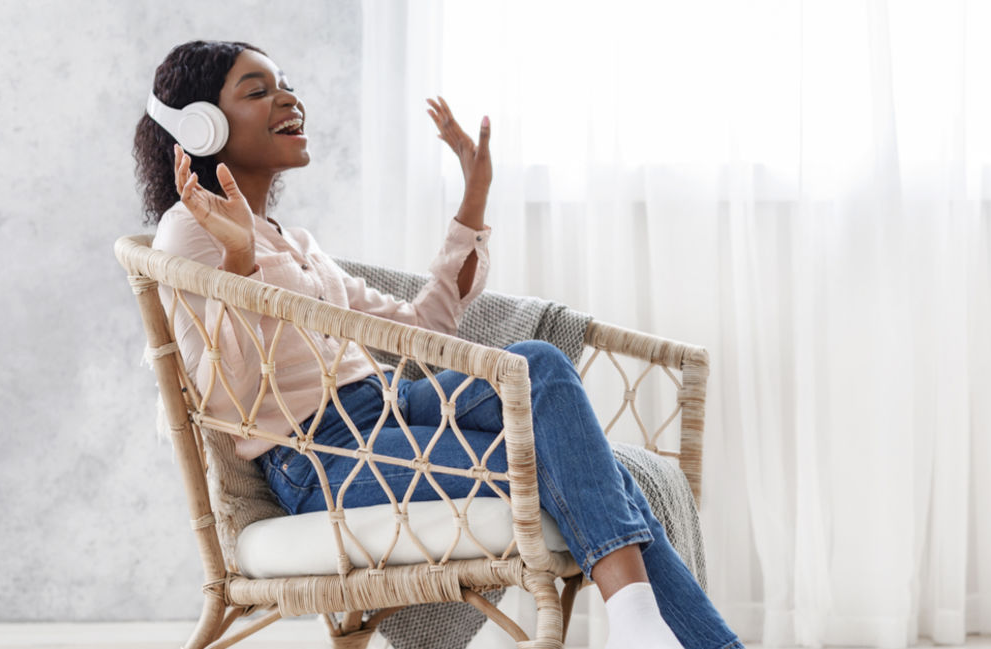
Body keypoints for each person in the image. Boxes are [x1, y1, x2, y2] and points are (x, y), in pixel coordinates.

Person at [133, 40, 741, 649]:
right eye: (257, 90)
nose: (288, 97)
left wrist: (473, 197)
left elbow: (424, 329)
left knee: (537, 365)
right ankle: (660, 631)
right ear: (202, 125)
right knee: (582, 468)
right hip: (321, 455)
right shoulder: (188, 232)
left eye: (284, 82)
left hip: (391, 410)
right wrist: (239, 260)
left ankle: (642, 628)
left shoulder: (298, 243)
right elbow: (221, 392)